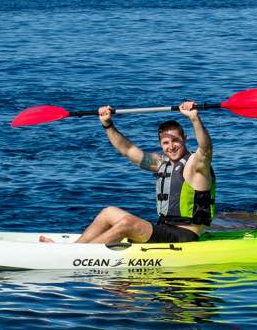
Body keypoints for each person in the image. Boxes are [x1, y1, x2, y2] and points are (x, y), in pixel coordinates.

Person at [43, 100, 215, 244]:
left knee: (127, 223)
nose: (171, 146)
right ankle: (76, 248)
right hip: (164, 229)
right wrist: (107, 124)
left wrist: (194, 119)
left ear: (184, 138)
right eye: (165, 142)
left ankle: (75, 254)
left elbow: (205, 149)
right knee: (108, 212)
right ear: (161, 144)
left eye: (175, 140)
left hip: (185, 236)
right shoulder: (161, 163)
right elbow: (128, 149)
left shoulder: (195, 165)